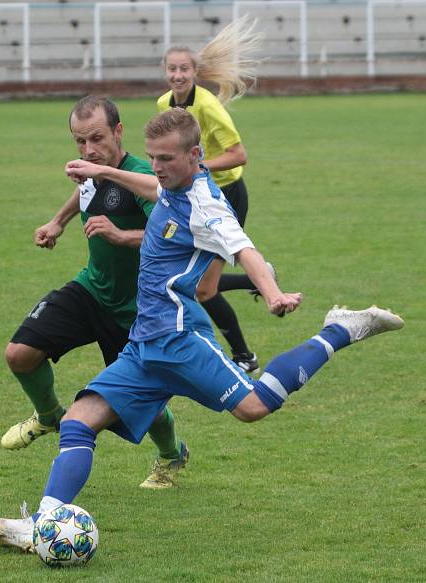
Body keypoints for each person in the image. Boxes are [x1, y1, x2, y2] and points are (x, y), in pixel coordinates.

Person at [0, 108, 404, 553]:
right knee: (77, 423)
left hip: (181, 340)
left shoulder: (208, 207)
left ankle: (339, 329)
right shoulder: (169, 183)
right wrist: (103, 169)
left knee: (254, 407)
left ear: (195, 155)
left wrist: (274, 293)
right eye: (152, 157)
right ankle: (43, 524)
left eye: (165, 159)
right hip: (144, 345)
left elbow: (247, 252)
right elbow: (153, 188)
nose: (157, 168)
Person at [0, 95, 188, 491]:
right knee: (20, 354)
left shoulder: (140, 175)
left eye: (97, 139)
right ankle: (49, 415)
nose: (88, 150)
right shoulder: (91, 171)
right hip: (92, 290)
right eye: (80, 142)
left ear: (118, 132)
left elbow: (170, 233)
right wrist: (57, 223)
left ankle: (172, 454)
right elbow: (86, 191)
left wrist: (121, 235)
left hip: (137, 311)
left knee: (144, 408)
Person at [158, 16, 269, 375]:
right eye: (172, 69)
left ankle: (245, 357)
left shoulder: (207, 106)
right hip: (196, 197)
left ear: (195, 72)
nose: (178, 75)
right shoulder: (165, 104)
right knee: (191, 280)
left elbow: (239, 155)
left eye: (184, 69)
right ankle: (256, 277)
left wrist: (199, 167)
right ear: (166, 72)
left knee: (203, 290)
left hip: (228, 195)